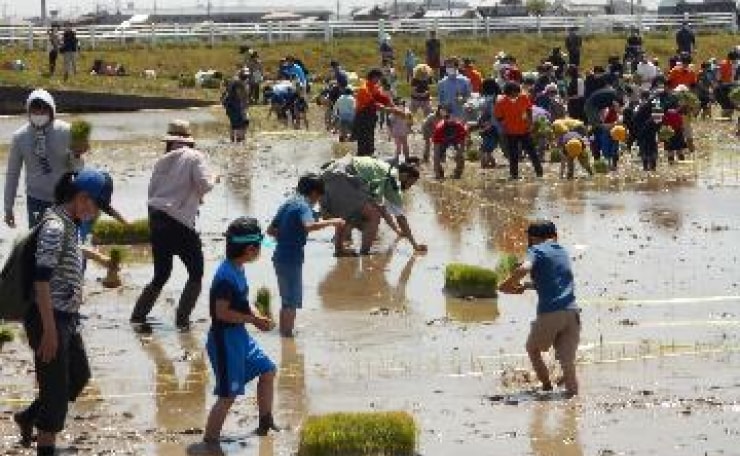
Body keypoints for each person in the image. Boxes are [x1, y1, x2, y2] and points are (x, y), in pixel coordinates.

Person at [14, 168, 114, 455]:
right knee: (56, 399)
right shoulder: (56, 226)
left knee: (79, 376)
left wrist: (99, 258)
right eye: (98, 207)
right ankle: (45, 447)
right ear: (83, 198)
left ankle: (28, 416)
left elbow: (71, 249)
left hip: (66, 317)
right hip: (50, 317)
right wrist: (48, 331)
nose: (97, 214)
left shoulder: (68, 221)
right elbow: (41, 279)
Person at [130, 120, 217, 330]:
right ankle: (182, 320)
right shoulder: (195, 156)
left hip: (157, 218)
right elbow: (205, 185)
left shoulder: (162, 160)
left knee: (162, 273)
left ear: (170, 141)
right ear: (188, 140)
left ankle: (138, 315)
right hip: (178, 222)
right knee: (196, 272)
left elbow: (153, 193)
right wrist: (215, 176)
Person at [203, 217, 280, 448]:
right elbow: (221, 313)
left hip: (239, 337)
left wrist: (257, 314)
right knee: (228, 395)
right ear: (249, 249)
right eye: (259, 248)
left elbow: (243, 302)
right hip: (224, 340)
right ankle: (211, 442)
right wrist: (253, 319)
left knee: (267, 370)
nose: (260, 253)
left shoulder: (237, 268)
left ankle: (265, 422)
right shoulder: (225, 277)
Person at [499, 220, 581, 397]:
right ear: (554, 236)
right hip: (572, 313)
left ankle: (546, 387)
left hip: (550, 312)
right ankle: (573, 405)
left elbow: (526, 267)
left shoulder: (535, 250)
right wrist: (527, 286)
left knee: (533, 349)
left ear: (533, 238)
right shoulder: (563, 252)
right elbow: (553, 282)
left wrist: (506, 284)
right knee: (568, 363)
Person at [268, 175, 345, 338]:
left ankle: (284, 334)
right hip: (292, 258)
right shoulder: (304, 206)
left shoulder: (288, 203)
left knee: (286, 299)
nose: (317, 202)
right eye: (318, 197)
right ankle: (287, 337)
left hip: (279, 256)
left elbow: (271, 230)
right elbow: (309, 226)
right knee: (291, 301)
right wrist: (333, 222)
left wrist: (288, 234)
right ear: (314, 193)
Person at [5, 90, 82, 229]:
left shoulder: (67, 131)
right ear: (28, 111)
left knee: (66, 242)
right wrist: (8, 207)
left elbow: (78, 168)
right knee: (37, 243)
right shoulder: (20, 137)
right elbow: (12, 173)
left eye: (43, 109)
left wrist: (77, 156)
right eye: (35, 110)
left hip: (64, 198)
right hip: (35, 199)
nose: (39, 114)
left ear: (51, 110)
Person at [320, 156, 426, 256]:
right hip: (342, 178)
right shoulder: (392, 178)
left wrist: (397, 231)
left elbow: (381, 207)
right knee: (373, 216)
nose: (408, 188)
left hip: (328, 175)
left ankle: (340, 250)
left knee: (353, 215)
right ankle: (364, 254)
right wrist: (415, 245)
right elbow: (400, 218)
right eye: (410, 184)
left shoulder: (381, 169)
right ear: (405, 176)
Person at [494, 81, 543, 180]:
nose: (516, 94)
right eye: (514, 93)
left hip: (524, 130)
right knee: (513, 155)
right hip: (510, 132)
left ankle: (540, 173)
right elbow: (499, 117)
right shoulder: (500, 102)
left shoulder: (523, 98)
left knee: (532, 152)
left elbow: (529, 110)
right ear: (508, 93)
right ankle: (514, 175)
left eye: (517, 92)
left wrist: (530, 123)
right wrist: (506, 124)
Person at [353, 69, 394, 156]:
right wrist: (389, 109)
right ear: (374, 77)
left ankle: (370, 156)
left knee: (370, 138)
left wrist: (389, 103)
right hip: (362, 117)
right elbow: (372, 103)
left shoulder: (373, 87)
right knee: (363, 140)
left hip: (370, 117)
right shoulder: (364, 89)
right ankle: (361, 159)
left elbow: (380, 97)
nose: (379, 81)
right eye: (378, 79)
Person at [431, 105, 467, 179]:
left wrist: (460, 153)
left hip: (455, 140)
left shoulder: (459, 126)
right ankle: (439, 172)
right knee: (436, 157)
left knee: (460, 156)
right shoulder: (439, 129)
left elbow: (462, 143)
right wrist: (437, 174)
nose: (449, 120)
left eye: (451, 118)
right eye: (447, 118)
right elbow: (436, 152)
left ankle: (457, 173)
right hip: (442, 141)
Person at [222, 69, 250, 143]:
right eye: (245, 75)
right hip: (234, 105)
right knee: (241, 122)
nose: (246, 77)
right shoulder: (238, 83)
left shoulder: (238, 81)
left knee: (236, 123)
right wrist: (244, 107)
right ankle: (239, 139)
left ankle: (235, 139)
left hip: (232, 105)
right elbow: (240, 96)